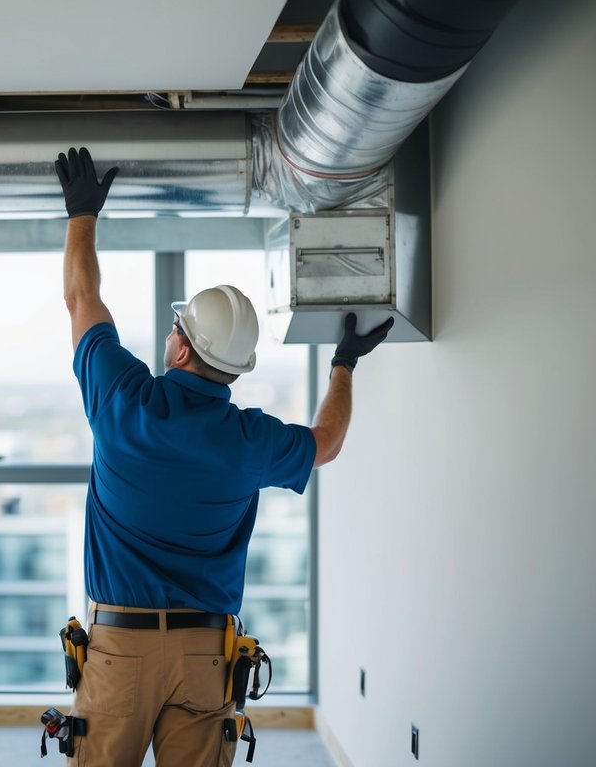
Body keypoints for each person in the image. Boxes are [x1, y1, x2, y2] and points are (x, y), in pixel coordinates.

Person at [54, 146, 394, 766]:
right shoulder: (249, 442)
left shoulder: (123, 400)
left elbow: (82, 298)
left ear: (183, 351)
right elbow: (328, 442)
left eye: (176, 328)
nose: (169, 334)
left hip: (119, 651)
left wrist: (82, 213)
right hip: (204, 655)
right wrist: (344, 363)